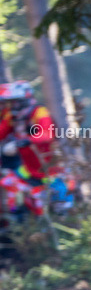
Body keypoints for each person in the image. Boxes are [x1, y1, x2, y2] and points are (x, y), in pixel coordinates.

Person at [0, 81, 58, 220]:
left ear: (24, 99)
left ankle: (41, 226)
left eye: (14, 102)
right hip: (27, 168)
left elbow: (47, 134)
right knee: (7, 183)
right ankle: (14, 217)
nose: (11, 106)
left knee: (41, 207)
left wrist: (27, 141)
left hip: (48, 169)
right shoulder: (12, 116)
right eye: (8, 102)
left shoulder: (39, 112)